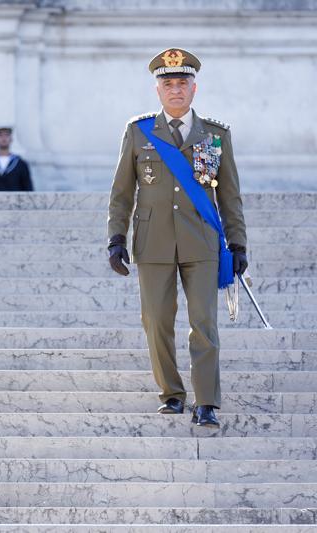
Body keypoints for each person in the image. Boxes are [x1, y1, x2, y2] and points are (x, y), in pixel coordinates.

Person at [107, 48, 247, 428]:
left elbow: (229, 195)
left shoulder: (216, 135)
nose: (175, 90)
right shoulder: (138, 133)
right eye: (168, 84)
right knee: (156, 321)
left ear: (193, 88)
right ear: (158, 90)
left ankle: (206, 401)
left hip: (201, 243)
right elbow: (122, 192)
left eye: (182, 83)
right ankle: (171, 394)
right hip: (152, 243)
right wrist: (116, 238)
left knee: (204, 322)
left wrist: (238, 243)